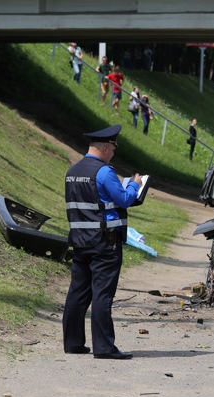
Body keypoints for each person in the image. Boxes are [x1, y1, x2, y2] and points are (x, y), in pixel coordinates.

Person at [63, 124, 142, 360]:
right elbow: (124, 199)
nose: (113, 154)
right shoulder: (104, 172)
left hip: (79, 241)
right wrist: (135, 185)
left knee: (78, 292)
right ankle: (104, 347)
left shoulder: (72, 171)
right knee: (102, 294)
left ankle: (73, 343)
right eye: (113, 150)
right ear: (106, 148)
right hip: (104, 243)